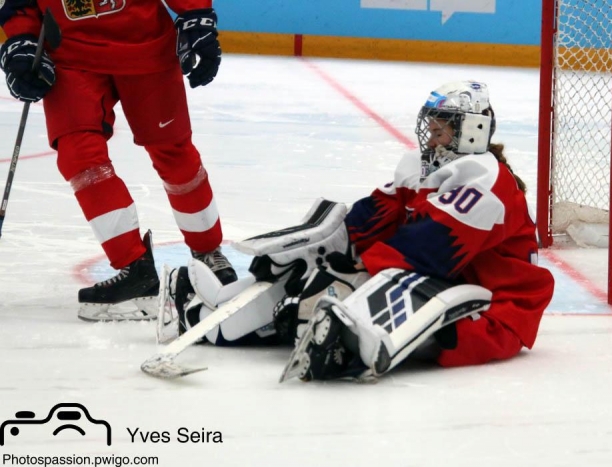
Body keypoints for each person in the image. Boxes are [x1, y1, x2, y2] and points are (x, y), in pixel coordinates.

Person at [164, 80, 554, 382]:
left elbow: (429, 251)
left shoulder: (487, 182)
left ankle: (342, 343)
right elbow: (368, 219)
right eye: (430, 129)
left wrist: (350, 272)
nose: (430, 139)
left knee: (365, 305)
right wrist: (302, 255)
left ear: (471, 131)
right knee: (305, 280)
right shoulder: (426, 169)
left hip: (497, 309)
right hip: (446, 282)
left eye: (440, 132)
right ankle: (203, 310)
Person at [0, 0, 237, 321]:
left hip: (146, 49)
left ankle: (208, 252)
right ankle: (134, 271)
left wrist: (195, 15)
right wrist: (20, 39)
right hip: (70, 58)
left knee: (173, 153)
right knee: (79, 156)